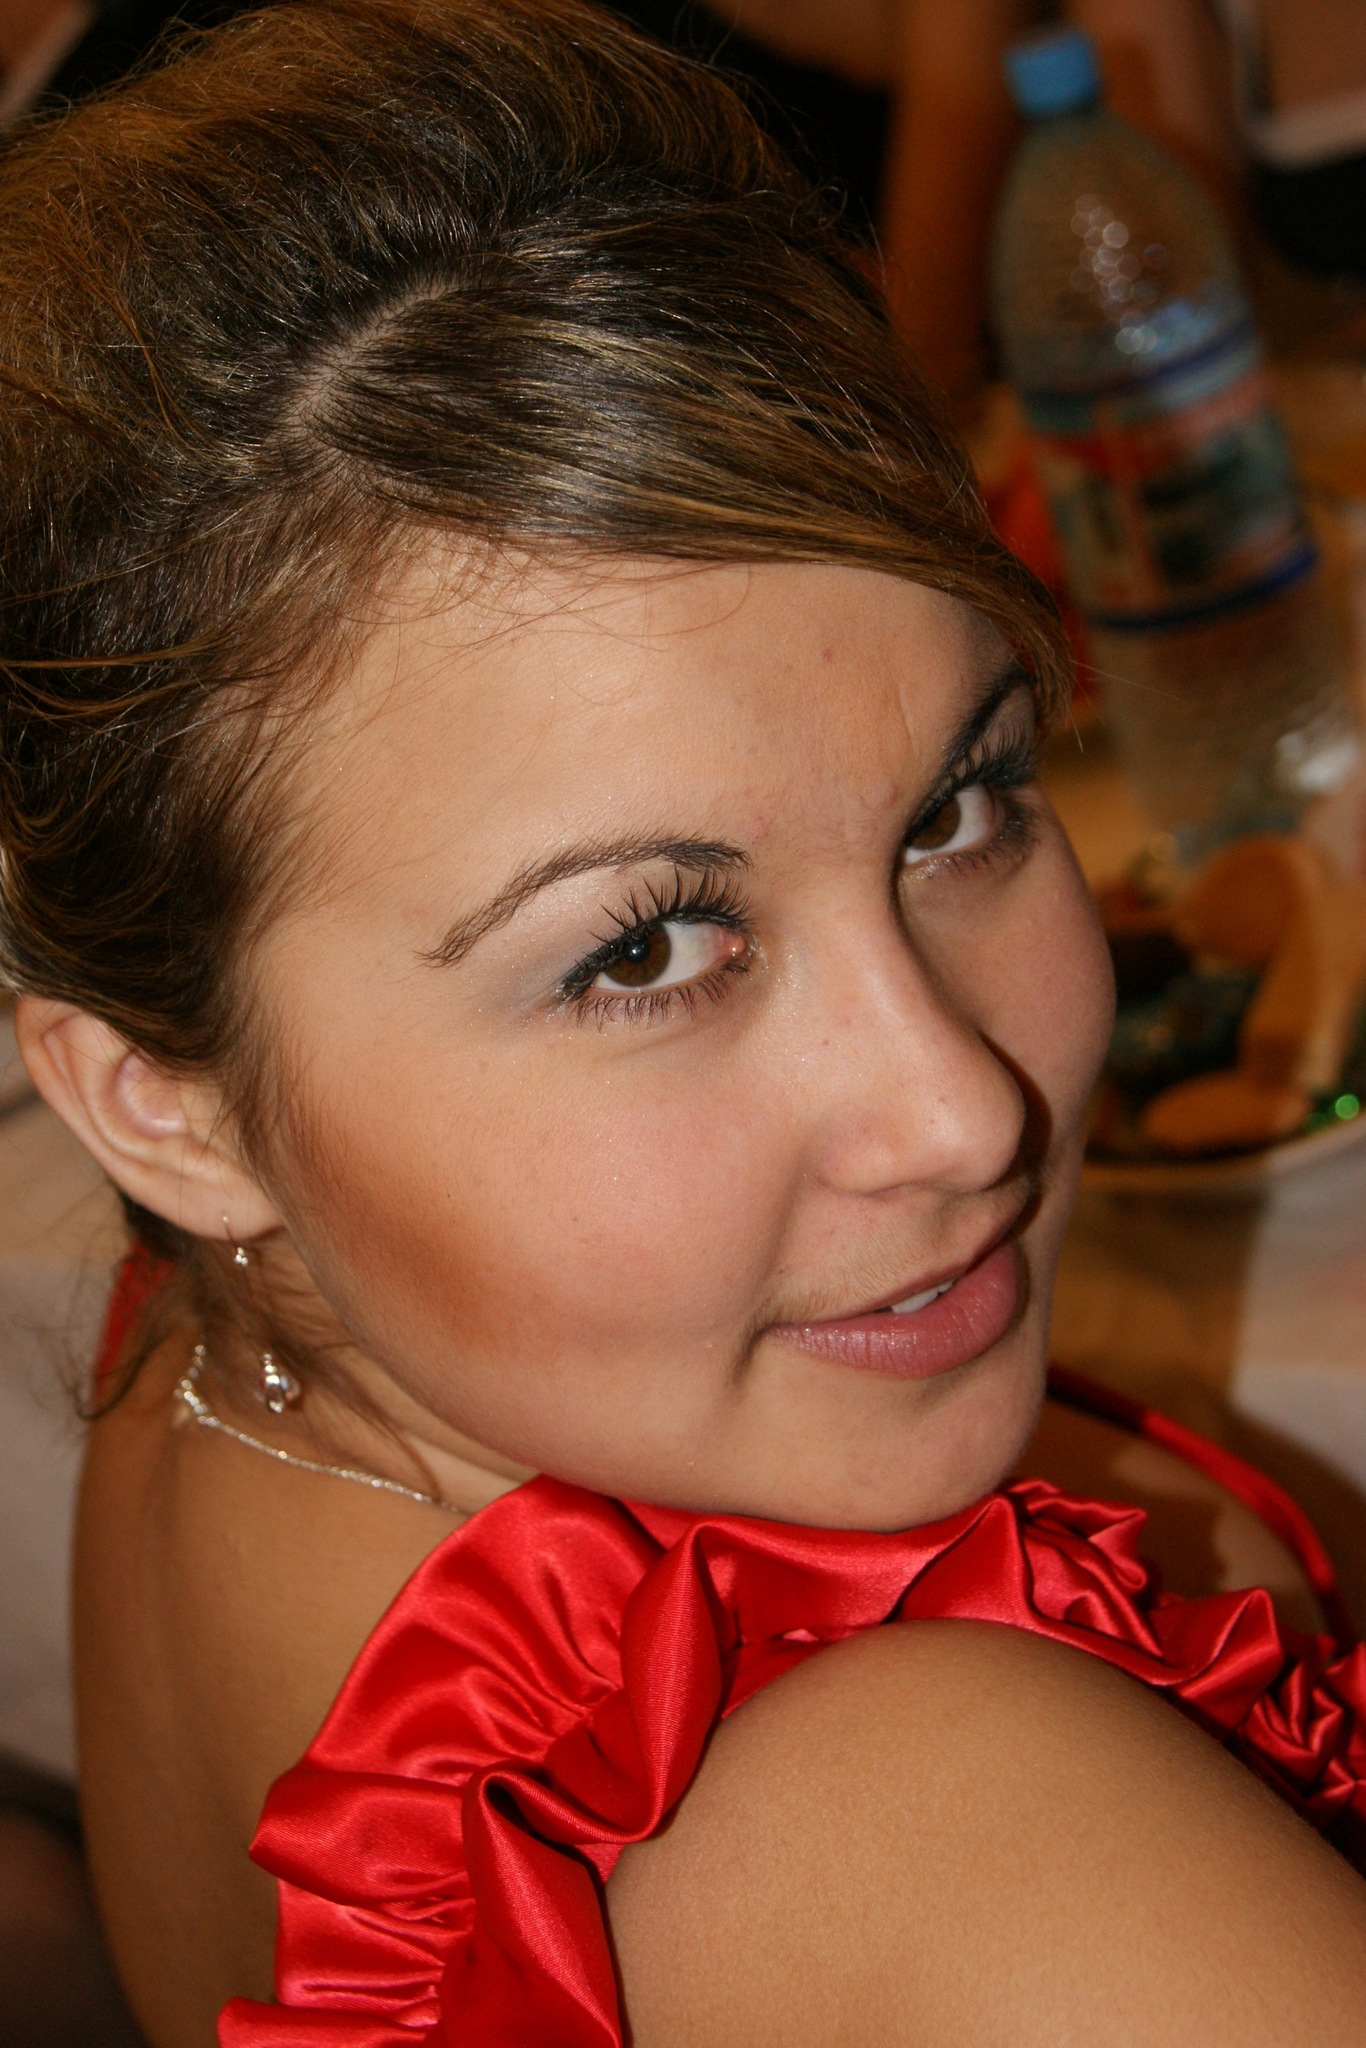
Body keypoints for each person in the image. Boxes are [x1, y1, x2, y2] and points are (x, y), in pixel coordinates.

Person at [3, 2, 1366, 2043]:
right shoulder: (997, 1867)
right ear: (158, 1103)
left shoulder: (226, 1338)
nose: (961, 1111)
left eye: (959, 809)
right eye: (638, 952)